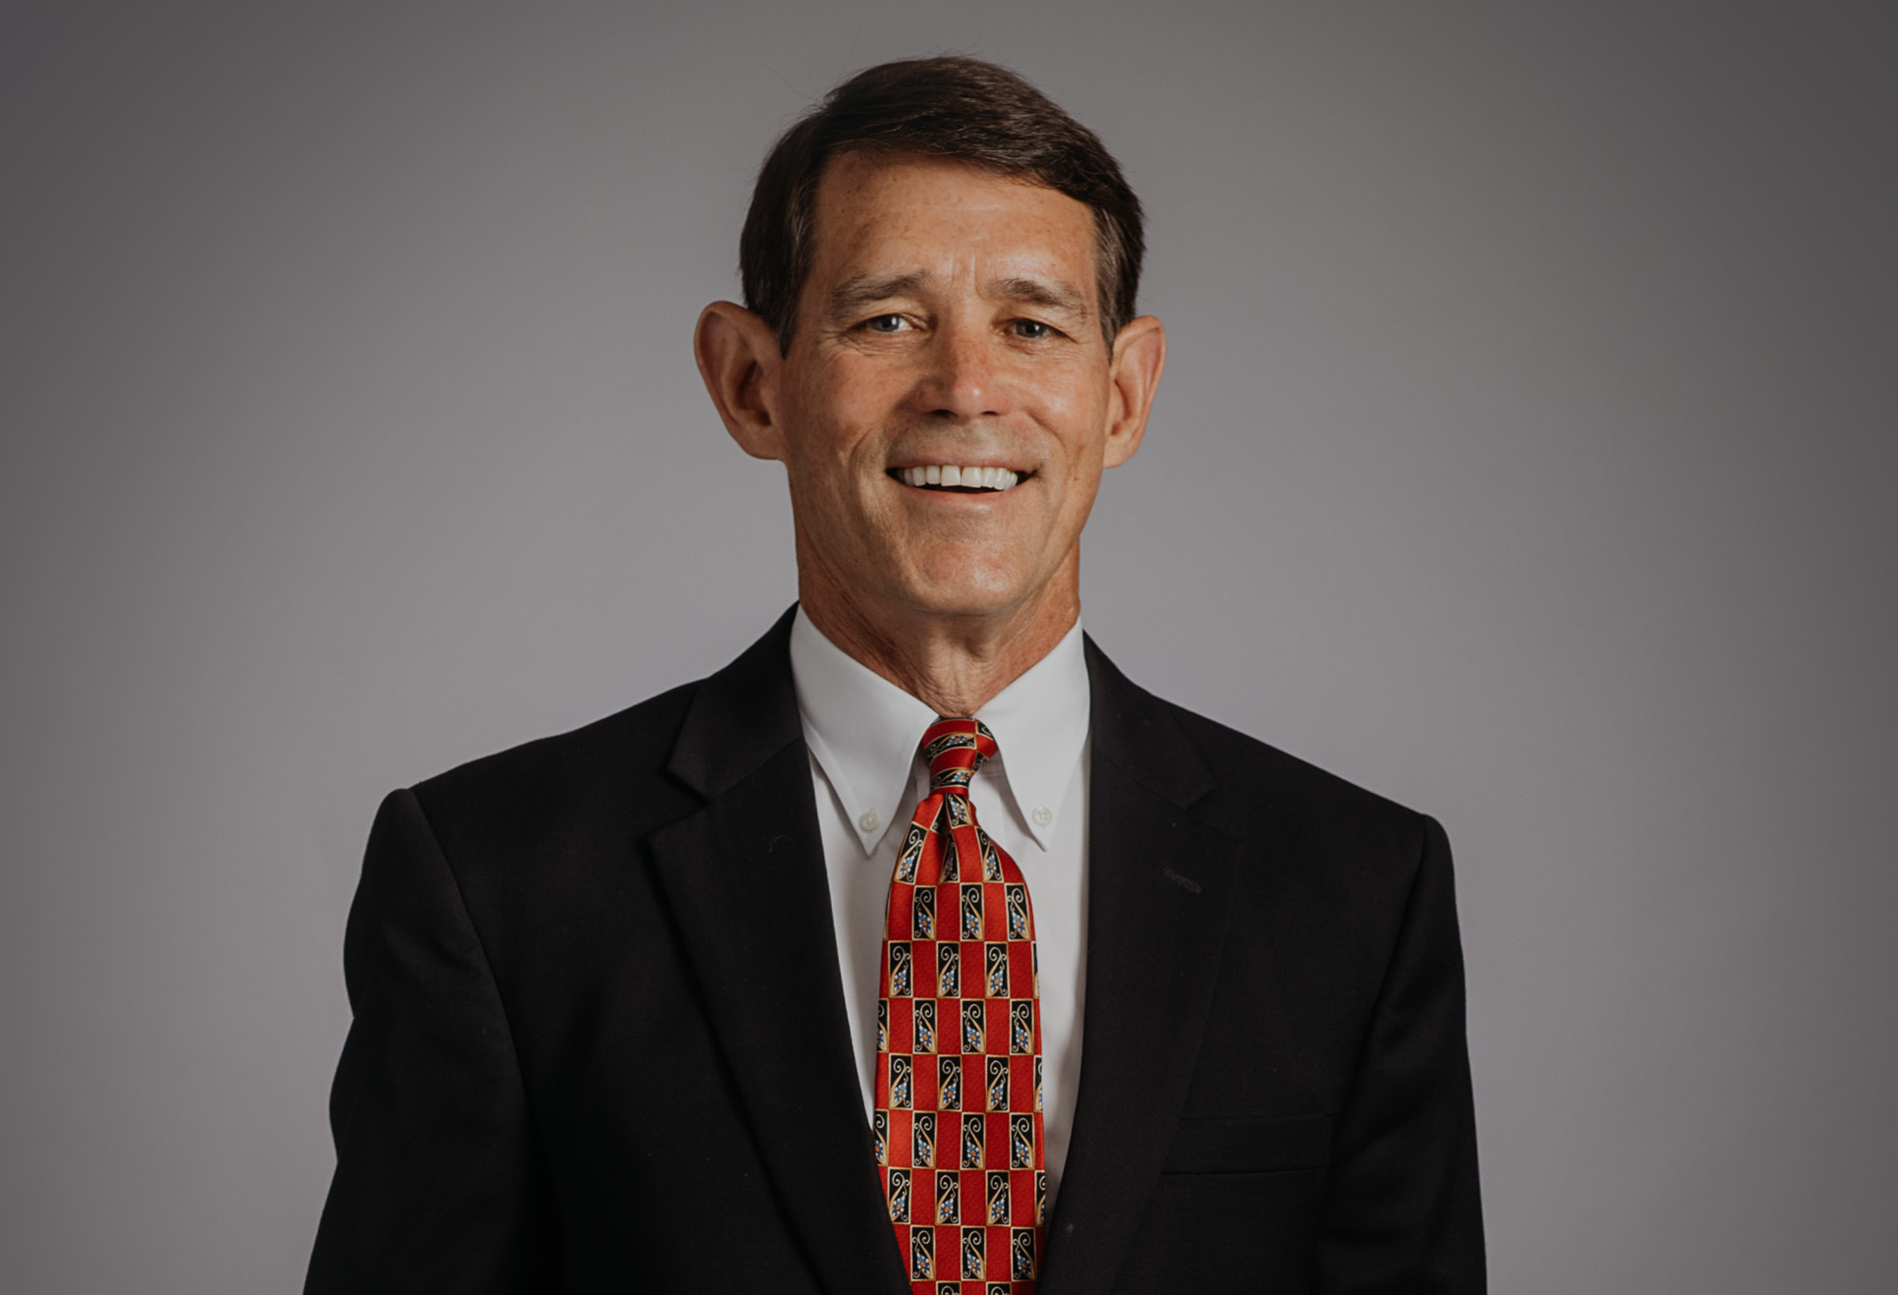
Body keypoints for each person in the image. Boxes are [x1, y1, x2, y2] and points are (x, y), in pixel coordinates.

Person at [303, 56, 1484, 1294]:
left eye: (1031, 325)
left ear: (1122, 394)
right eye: (887, 321)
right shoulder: (497, 884)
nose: (965, 389)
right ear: (751, 382)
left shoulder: (1355, 890)